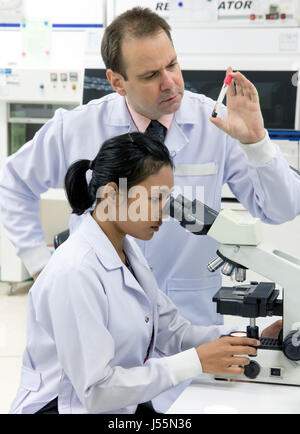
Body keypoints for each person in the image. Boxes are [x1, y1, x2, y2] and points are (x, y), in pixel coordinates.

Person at [0, 7, 298, 411]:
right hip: (102, 361)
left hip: (183, 322)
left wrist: (257, 143)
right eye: (150, 75)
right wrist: (40, 264)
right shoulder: (77, 128)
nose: (170, 82)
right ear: (117, 82)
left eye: (172, 64)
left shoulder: (216, 122)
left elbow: (280, 211)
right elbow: (10, 182)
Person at [10, 133, 261, 414]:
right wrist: (196, 361)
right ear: (111, 193)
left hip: (121, 404)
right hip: (66, 408)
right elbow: (96, 391)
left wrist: (251, 338)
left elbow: (174, 333)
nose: (164, 214)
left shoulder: (128, 253)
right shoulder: (75, 272)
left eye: (166, 199)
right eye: (155, 199)